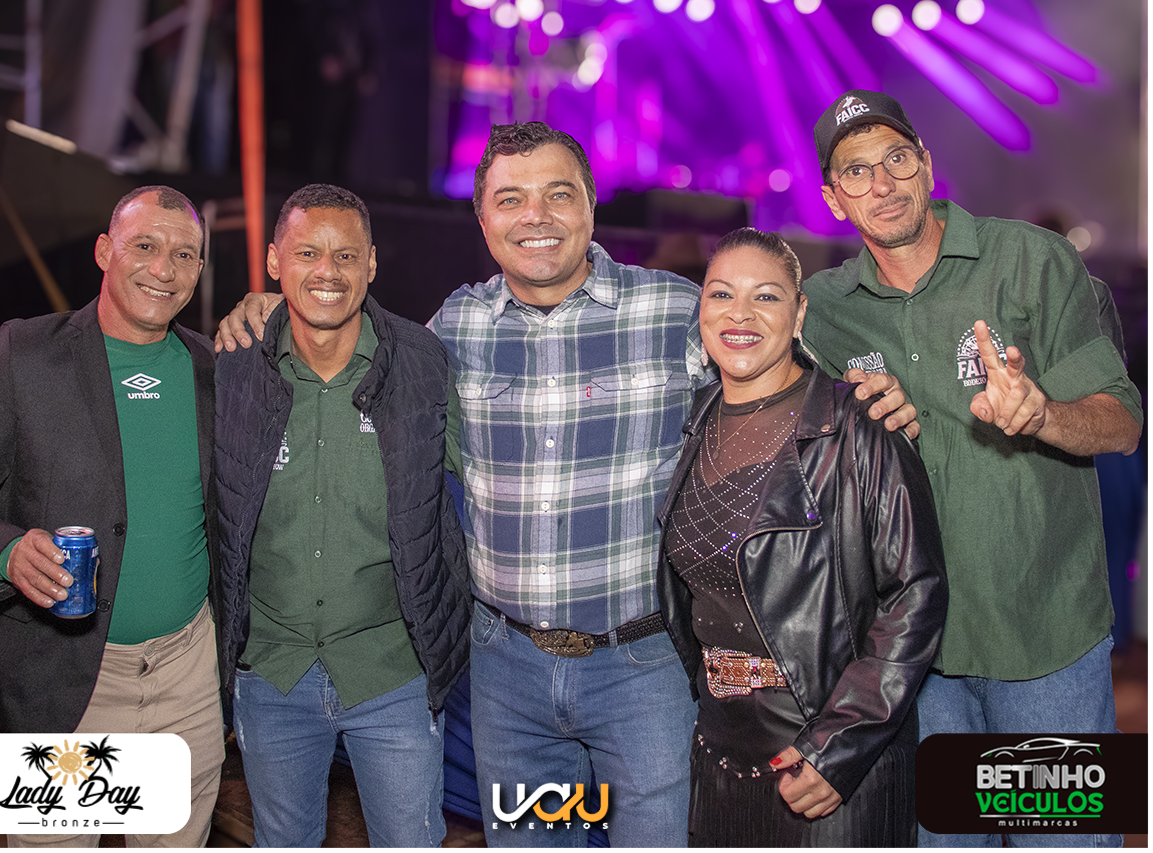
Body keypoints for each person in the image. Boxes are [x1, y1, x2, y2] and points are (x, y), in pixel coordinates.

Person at [214, 123, 917, 847]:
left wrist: (871, 392)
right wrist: (269, 310)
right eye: (510, 199)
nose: (536, 216)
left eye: (558, 194)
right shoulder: (451, 329)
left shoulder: (676, 311)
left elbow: (785, 369)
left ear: (589, 206)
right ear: (482, 219)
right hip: (507, 675)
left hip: (642, 669)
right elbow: (342, 341)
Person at [803, 89, 1144, 847]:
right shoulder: (824, 310)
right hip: (913, 658)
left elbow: (1123, 423)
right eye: (856, 171)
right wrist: (849, 423)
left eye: (896, 159)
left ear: (926, 165)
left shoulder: (1031, 259)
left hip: (1046, 639)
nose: (882, 184)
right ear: (832, 198)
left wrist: (1042, 413)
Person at [657, 228, 947, 846]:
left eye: (765, 296)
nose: (739, 314)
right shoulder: (696, 421)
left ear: (799, 312)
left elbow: (915, 593)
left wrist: (839, 745)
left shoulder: (859, 425)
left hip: (826, 760)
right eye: (721, 294)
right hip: (718, 755)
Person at [0, 186, 224, 848]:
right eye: (145, 246)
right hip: (67, 680)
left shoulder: (214, 369)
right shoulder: (25, 355)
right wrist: (5, 552)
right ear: (105, 251)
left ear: (199, 269)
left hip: (188, 679)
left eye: (184, 254)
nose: (163, 268)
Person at [211, 184, 470, 847]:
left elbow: (485, 481)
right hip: (272, 672)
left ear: (372, 264)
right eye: (307, 253)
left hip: (393, 672)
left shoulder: (422, 363)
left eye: (346, 255)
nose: (327, 270)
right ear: (274, 261)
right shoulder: (230, 368)